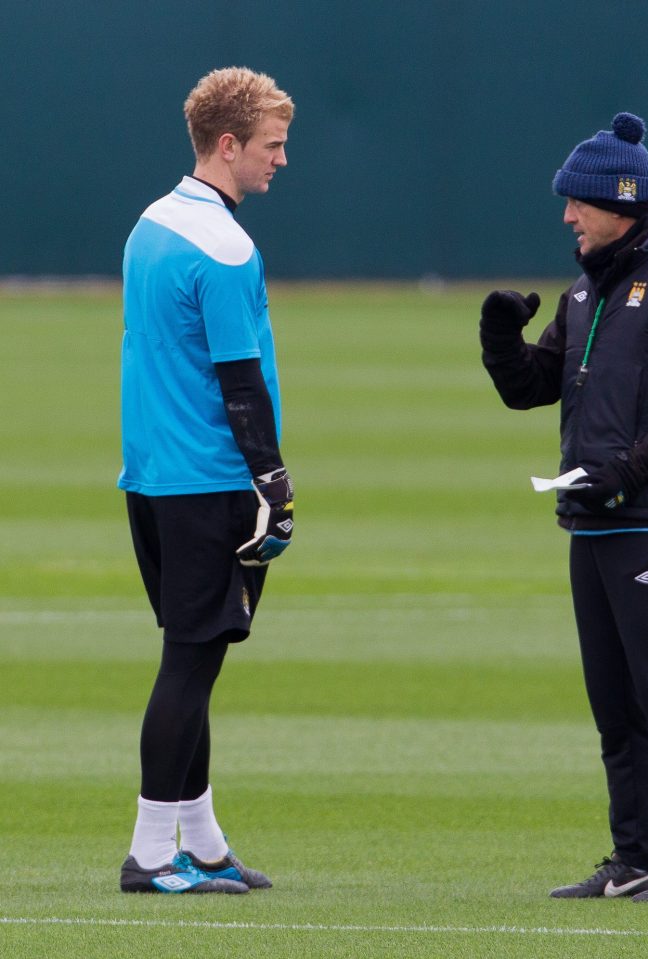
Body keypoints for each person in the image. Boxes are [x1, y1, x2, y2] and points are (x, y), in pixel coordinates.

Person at [479, 113, 648, 902]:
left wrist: (625, 473)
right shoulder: (585, 285)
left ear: (617, 203)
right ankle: (631, 860)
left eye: (577, 203)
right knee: (615, 704)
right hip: (594, 521)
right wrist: (499, 339)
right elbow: (532, 385)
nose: (566, 216)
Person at [117, 67, 296, 894]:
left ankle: (204, 841)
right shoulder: (225, 246)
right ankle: (151, 855)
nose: (279, 160)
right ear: (229, 145)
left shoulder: (149, 223)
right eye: (271, 145)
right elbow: (240, 380)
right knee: (190, 664)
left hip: (151, 478)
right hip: (208, 481)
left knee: (194, 656)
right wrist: (274, 484)